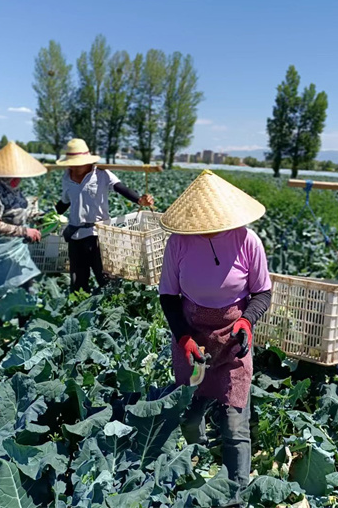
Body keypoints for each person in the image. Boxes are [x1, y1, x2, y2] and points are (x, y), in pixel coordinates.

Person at [158, 170, 272, 497]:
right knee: (190, 418)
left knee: (235, 427)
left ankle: (236, 496)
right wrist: (183, 338)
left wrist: (246, 321)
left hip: (234, 339)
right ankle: (198, 458)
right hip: (192, 334)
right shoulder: (178, 243)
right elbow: (168, 296)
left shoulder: (247, 241)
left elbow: (262, 292)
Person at [53, 139, 154, 293]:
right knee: (78, 282)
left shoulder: (102, 174)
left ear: (86, 162)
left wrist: (140, 200)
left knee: (105, 278)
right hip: (75, 235)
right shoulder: (67, 177)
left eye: (76, 163)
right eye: (71, 163)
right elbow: (65, 201)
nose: (72, 166)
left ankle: (108, 308)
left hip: (97, 235)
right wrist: (51, 213)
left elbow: (121, 188)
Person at [0, 142, 46, 307]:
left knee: (26, 289)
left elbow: (18, 211)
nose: (20, 178)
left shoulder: (13, 187)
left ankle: (25, 323)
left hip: (17, 250)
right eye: (16, 175)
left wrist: (39, 217)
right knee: (3, 294)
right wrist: (23, 231)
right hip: (0, 252)